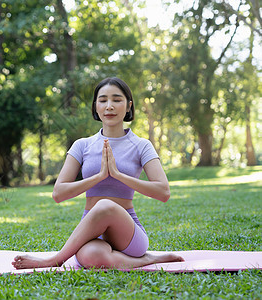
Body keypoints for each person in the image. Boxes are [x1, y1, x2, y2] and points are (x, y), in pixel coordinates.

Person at [12, 77, 184, 270]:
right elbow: (58, 194)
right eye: (103, 100)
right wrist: (99, 177)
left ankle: (54, 260)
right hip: (93, 233)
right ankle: (147, 260)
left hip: (128, 235)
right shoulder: (82, 145)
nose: (109, 106)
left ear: (128, 106)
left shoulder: (141, 145)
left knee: (105, 206)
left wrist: (118, 175)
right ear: (95, 107)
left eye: (116, 100)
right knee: (91, 258)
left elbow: (163, 192)